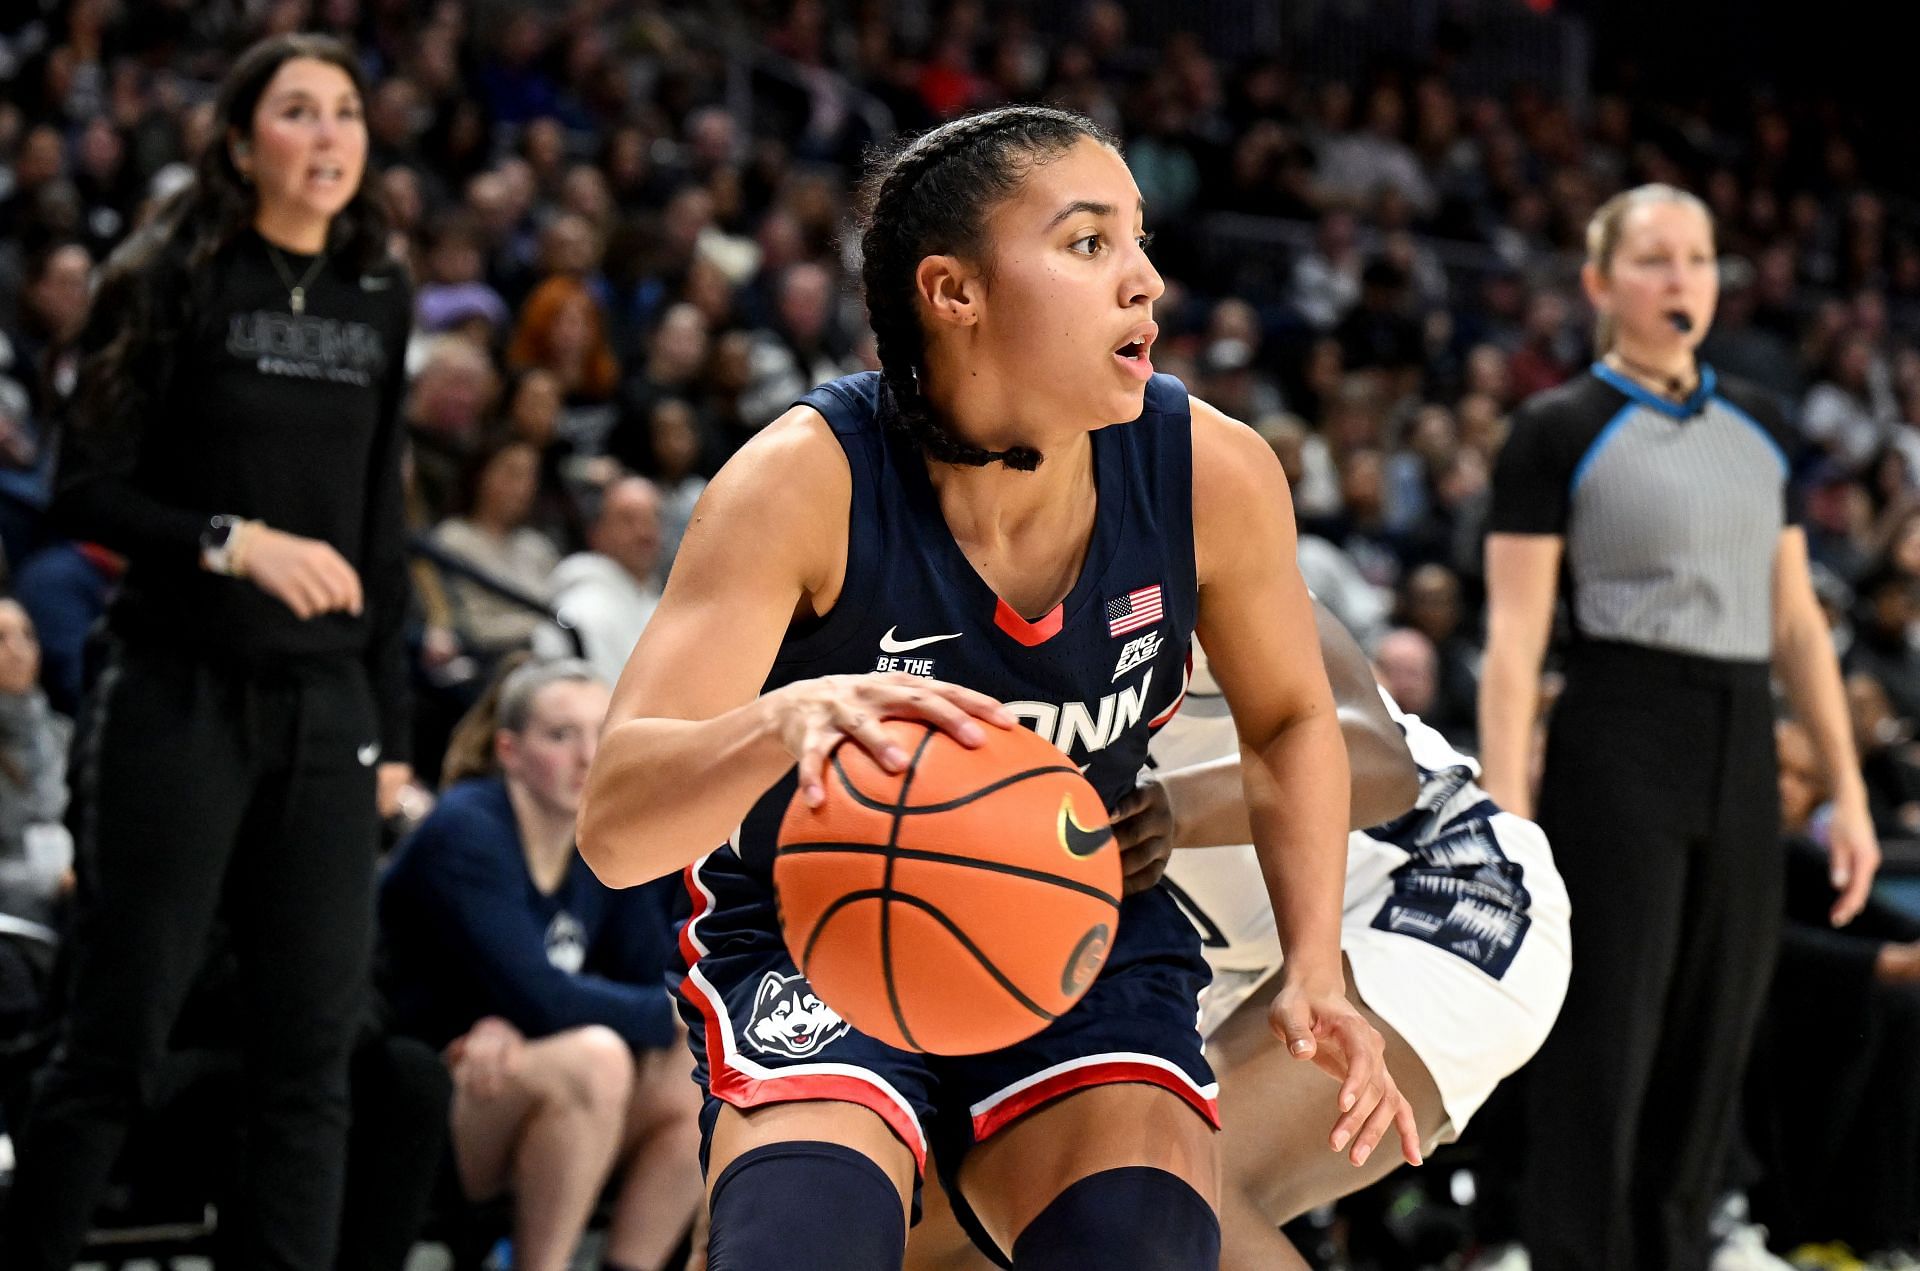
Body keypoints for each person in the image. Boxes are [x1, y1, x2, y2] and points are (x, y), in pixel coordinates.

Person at [575, 105, 1420, 1271]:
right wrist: (787, 717)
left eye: (1139, 239)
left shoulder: (1208, 470)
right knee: (801, 1243)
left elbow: (1290, 718)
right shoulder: (800, 481)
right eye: (1087, 243)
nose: (1144, 281)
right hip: (826, 928)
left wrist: (1315, 965)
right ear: (953, 292)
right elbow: (616, 827)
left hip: (1077, 932)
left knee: (1143, 1240)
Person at [0, 34, 421, 1270]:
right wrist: (235, 543)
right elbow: (84, 489)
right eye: (298, 112)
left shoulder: (376, 293)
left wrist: (391, 734)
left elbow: (378, 534)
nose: (331, 134)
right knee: (115, 1037)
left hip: (326, 703)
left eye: (347, 110)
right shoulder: (171, 274)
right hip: (178, 690)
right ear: (243, 145)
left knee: (313, 1056)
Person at [903, 601, 1570, 1271]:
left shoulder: (1174, 542)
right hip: (1241, 971)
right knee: (972, 1231)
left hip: (1444, 885)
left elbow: (1377, 760)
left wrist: (1176, 806)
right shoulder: (928, 628)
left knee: (1163, 1187)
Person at [1477, 183, 1881, 1271]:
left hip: (1745, 730)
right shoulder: (1557, 427)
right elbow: (1516, 641)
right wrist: (1511, 812)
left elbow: (1797, 619)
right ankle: (1570, 1252)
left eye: (1698, 259)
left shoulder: (1763, 424)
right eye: (1653, 259)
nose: (1680, 279)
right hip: (1621, 724)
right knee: (1607, 1034)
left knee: (1715, 1035)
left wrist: (1845, 787)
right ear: (1603, 282)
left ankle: (1680, 1249)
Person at [382, 658, 702, 1271]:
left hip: (524, 1077)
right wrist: (668, 1010)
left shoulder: (597, 833)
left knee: (698, 1068)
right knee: (599, 1058)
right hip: (419, 1105)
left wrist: (670, 1009)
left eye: (602, 734)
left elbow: (645, 974)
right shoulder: (466, 828)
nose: (588, 757)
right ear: (509, 749)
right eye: (561, 736)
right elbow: (540, 995)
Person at [535, 475, 664, 687]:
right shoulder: (579, 609)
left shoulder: (659, 602)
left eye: (654, 518)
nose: (645, 532)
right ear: (596, 533)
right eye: (628, 519)